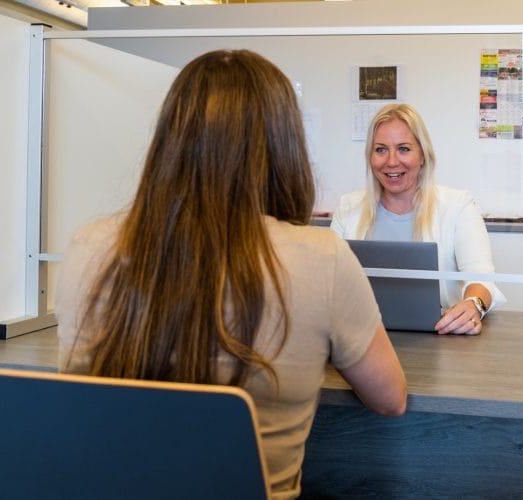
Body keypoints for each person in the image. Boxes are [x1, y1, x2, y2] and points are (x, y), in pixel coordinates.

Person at [54, 49, 407, 499]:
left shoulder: (89, 247)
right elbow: (390, 397)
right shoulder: (322, 258)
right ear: (283, 146)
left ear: (170, 140)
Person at [331, 103, 506, 335]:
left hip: (437, 338)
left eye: (403, 149)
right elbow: (329, 280)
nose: (391, 161)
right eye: (381, 150)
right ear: (370, 157)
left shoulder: (458, 206)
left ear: (422, 155)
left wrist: (474, 305)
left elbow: (481, 279)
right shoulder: (348, 208)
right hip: (362, 337)